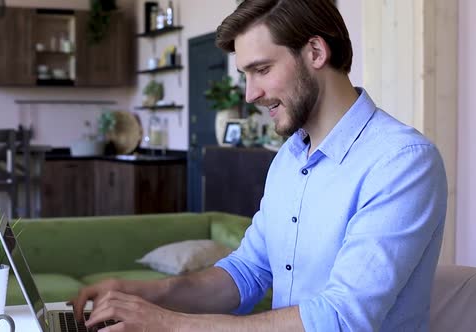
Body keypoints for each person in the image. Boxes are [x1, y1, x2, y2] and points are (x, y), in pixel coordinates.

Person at [70, 0, 448, 330]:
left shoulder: (402, 163)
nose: (251, 94)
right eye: (246, 75)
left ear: (315, 52)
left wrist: (168, 324)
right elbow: (247, 272)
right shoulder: (289, 157)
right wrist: (140, 294)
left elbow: (341, 319)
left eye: (262, 69)